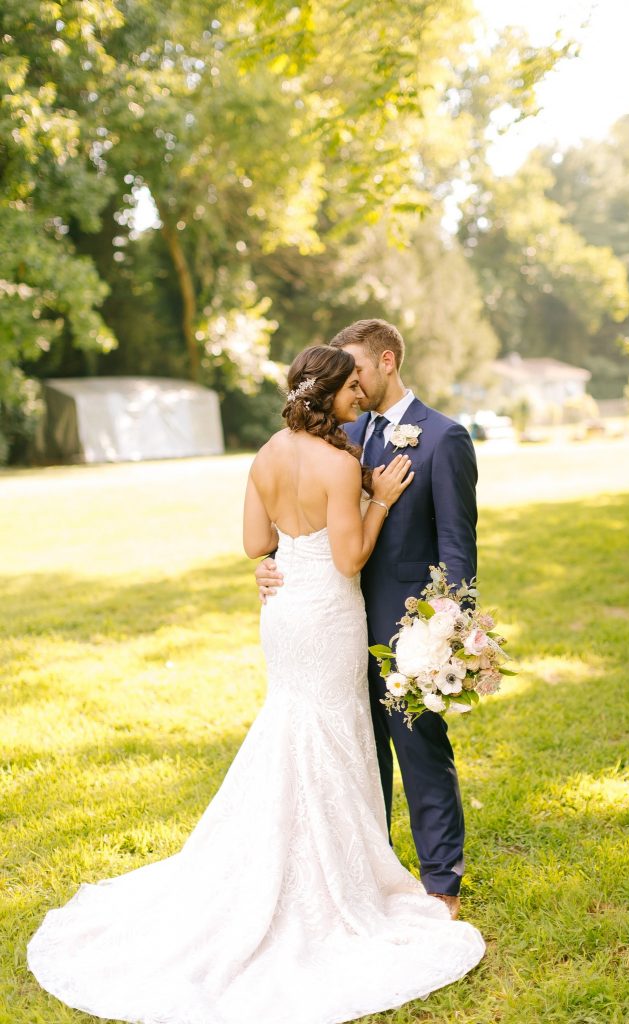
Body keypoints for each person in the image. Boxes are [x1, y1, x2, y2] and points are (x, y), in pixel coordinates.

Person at [27, 344, 484, 1024]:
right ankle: (337, 878)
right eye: (350, 389)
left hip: (286, 616)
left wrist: (277, 565)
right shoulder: (337, 461)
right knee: (332, 735)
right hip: (329, 612)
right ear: (332, 393)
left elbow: (253, 545)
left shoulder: (265, 453)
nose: (359, 398)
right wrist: (380, 501)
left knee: (294, 729)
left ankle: (322, 862)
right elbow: (350, 554)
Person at [257, 320, 478, 921]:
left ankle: (441, 883)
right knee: (356, 757)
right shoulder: (340, 439)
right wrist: (274, 567)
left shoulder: (443, 438)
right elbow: (307, 523)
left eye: (356, 370)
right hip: (335, 627)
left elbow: (458, 549)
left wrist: (449, 629)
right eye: (342, 377)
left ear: (386, 360)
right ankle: (364, 875)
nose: (350, 383)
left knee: (420, 753)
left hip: (408, 634)